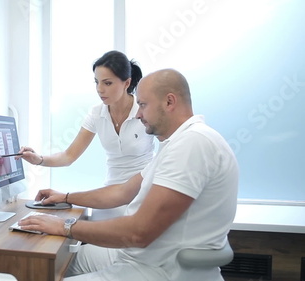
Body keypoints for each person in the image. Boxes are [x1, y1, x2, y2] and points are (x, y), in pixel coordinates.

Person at [18, 69, 239, 280]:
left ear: (170, 102)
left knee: (47, 264)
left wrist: (64, 226)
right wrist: (66, 197)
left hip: (159, 269)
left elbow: (139, 233)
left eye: (142, 105)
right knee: (49, 262)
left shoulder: (193, 143)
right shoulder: (175, 143)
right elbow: (123, 191)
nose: (139, 113)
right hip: (140, 256)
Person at [18, 51, 155, 217]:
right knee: (81, 233)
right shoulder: (97, 114)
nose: (99, 89)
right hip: (110, 194)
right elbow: (69, 156)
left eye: (108, 83)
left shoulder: (144, 110)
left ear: (127, 83)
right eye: (97, 82)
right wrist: (39, 159)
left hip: (144, 193)